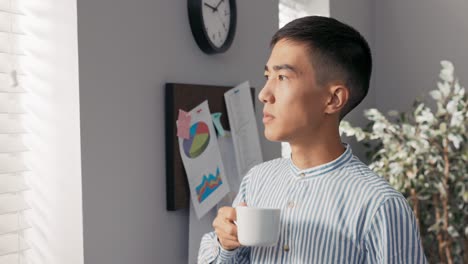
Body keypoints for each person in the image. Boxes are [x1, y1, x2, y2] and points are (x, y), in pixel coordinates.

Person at [198, 16, 427, 263]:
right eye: (267, 76)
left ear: (333, 100)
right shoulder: (256, 181)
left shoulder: (380, 205)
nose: (264, 94)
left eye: (282, 77)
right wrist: (226, 244)